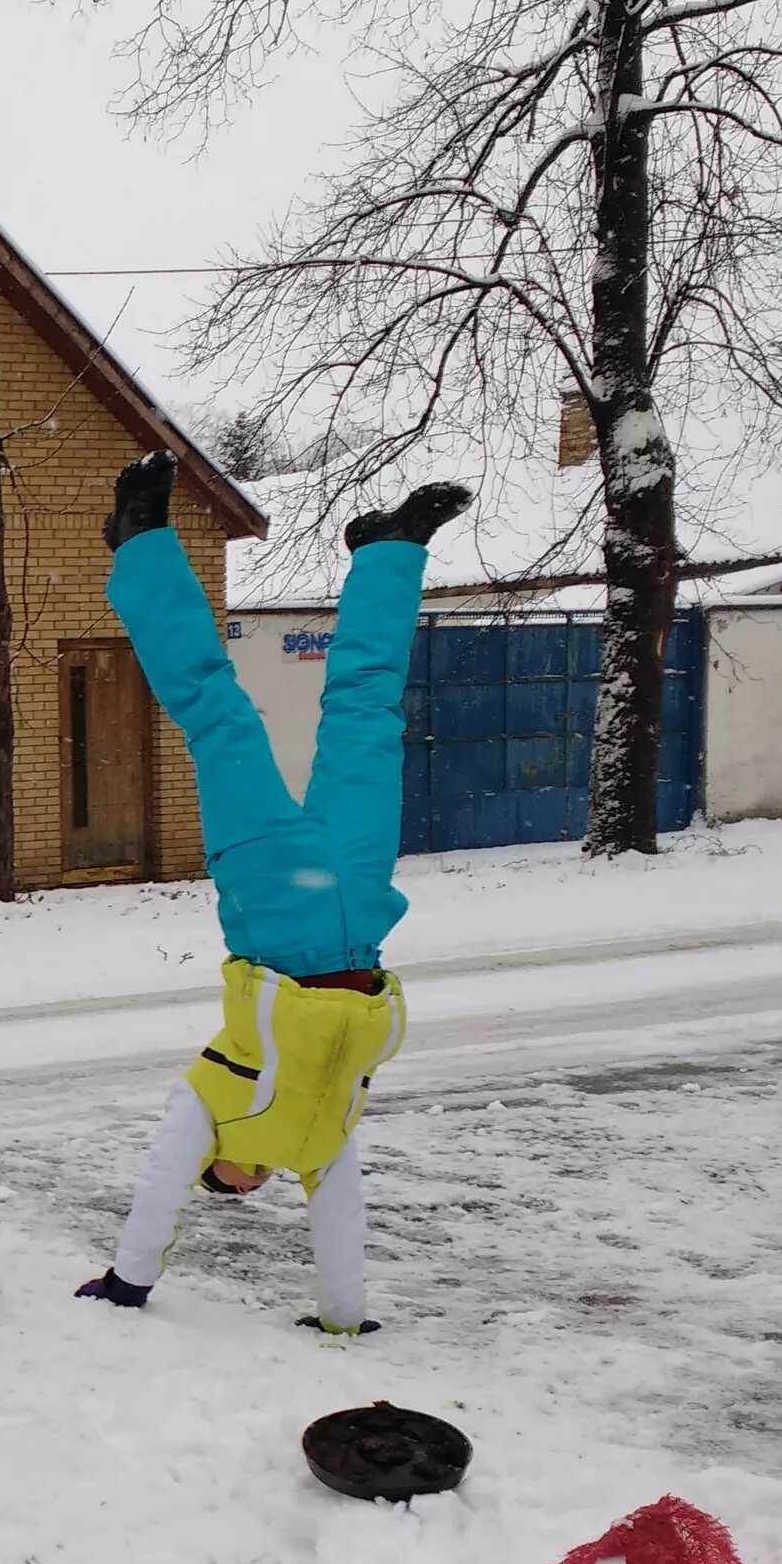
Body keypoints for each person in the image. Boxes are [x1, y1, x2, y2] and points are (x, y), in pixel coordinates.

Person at [75, 452, 471, 1335]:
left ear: (221, 1166)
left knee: (219, 714)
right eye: (242, 1189)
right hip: (362, 909)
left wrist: (130, 1284)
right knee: (369, 715)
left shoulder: (212, 1103)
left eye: (228, 1184)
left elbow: (155, 1188)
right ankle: (387, 552)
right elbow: (340, 1220)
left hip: (269, 908)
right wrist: (342, 1318)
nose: (243, 1185)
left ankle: (139, 541)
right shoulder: (319, 1139)